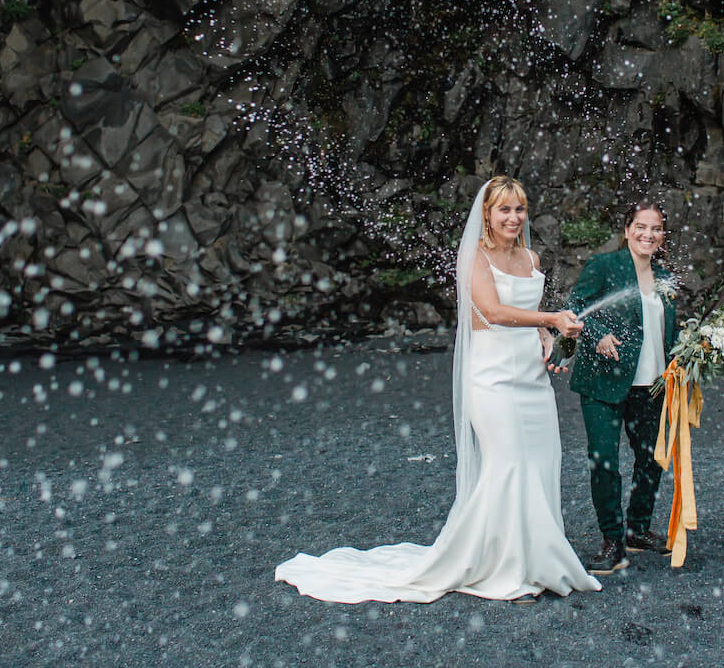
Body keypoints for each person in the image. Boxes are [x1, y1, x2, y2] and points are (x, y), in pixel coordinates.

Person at [275, 176, 601, 603]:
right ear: (487, 213)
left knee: (541, 461)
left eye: (519, 209)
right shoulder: (476, 258)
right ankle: (503, 567)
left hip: (531, 379)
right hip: (492, 377)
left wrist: (545, 335)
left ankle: (539, 560)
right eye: (504, 209)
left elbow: (528, 311)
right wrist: (550, 320)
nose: (513, 217)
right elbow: (491, 311)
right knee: (508, 464)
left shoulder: (531, 255)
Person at [566, 199, 678, 573]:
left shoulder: (664, 277)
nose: (649, 234)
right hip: (604, 380)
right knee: (605, 462)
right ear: (627, 229)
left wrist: (693, 351)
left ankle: (638, 530)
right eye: (641, 227)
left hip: (653, 384)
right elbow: (575, 306)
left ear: (662, 235)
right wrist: (597, 333)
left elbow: (668, 329)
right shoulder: (604, 266)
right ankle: (612, 540)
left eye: (656, 228)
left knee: (651, 459)